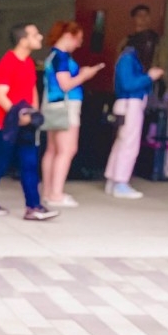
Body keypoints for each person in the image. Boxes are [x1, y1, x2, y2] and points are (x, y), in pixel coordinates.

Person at [0, 23, 59, 221]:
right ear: (23, 40)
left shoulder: (28, 62)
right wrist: (17, 115)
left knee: (29, 164)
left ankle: (33, 207)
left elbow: (31, 90)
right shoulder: (8, 62)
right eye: (35, 34)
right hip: (5, 126)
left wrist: (34, 112)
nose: (40, 37)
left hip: (26, 124)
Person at [40, 21, 104, 208]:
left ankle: (48, 191)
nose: (79, 44)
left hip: (53, 106)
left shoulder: (52, 56)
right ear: (68, 36)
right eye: (78, 39)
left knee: (52, 150)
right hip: (66, 107)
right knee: (66, 150)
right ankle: (56, 194)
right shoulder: (62, 58)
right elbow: (66, 84)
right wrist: (85, 75)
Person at [104, 32, 164, 199]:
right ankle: (120, 183)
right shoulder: (128, 59)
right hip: (130, 104)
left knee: (121, 143)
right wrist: (149, 77)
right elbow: (128, 84)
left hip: (128, 105)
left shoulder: (129, 58)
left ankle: (113, 179)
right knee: (129, 145)